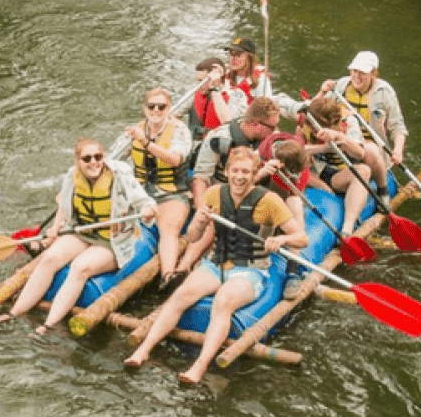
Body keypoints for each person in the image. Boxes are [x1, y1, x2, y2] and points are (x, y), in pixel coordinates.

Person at [124, 147, 307, 382]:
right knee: (180, 295)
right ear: (227, 171)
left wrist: (281, 238)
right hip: (215, 264)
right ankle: (143, 350)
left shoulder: (269, 200)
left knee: (223, 302)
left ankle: (199, 367)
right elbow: (190, 237)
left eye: (246, 172)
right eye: (235, 171)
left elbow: (302, 238)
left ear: (254, 175)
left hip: (250, 271)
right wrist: (198, 223)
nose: (240, 177)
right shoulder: (213, 194)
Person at [0, 138, 156, 334]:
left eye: (98, 156)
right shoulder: (72, 175)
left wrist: (148, 209)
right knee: (49, 258)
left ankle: (48, 324)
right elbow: (65, 204)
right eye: (87, 158)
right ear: (78, 161)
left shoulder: (119, 174)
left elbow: (144, 201)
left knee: (79, 267)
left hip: (113, 240)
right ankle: (15, 312)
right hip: (82, 232)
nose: (94, 162)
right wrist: (54, 228)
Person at [112, 88, 193, 283]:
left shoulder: (179, 130)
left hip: (171, 193)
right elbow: (112, 161)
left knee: (169, 229)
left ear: (169, 108)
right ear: (144, 108)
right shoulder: (134, 131)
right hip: (139, 193)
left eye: (161, 106)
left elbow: (175, 159)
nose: (156, 110)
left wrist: (145, 141)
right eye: (151, 106)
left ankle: (168, 275)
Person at [316, 50, 405, 191]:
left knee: (371, 149)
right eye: (354, 70)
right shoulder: (339, 87)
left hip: (370, 148)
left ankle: (383, 191)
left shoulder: (384, 92)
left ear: (373, 74)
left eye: (362, 73)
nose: (356, 76)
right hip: (342, 144)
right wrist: (322, 92)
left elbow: (397, 126)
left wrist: (398, 150)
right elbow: (315, 112)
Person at [301, 96, 374, 235]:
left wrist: (340, 137)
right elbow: (299, 154)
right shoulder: (306, 122)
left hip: (344, 171)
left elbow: (360, 153)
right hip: (322, 174)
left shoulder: (348, 122)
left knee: (364, 169)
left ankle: (348, 227)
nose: (313, 129)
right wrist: (324, 149)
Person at [190, 96, 281, 204]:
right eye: (272, 127)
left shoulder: (269, 139)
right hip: (225, 190)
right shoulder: (219, 137)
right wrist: (201, 209)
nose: (276, 132)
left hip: (253, 190)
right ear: (255, 123)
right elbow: (201, 177)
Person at [185, 57, 246, 141]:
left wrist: (213, 89)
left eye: (202, 81)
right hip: (198, 144)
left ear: (217, 79)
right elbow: (174, 115)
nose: (198, 85)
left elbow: (228, 122)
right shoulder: (197, 92)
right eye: (198, 80)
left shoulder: (236, 94)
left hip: (222, 144)